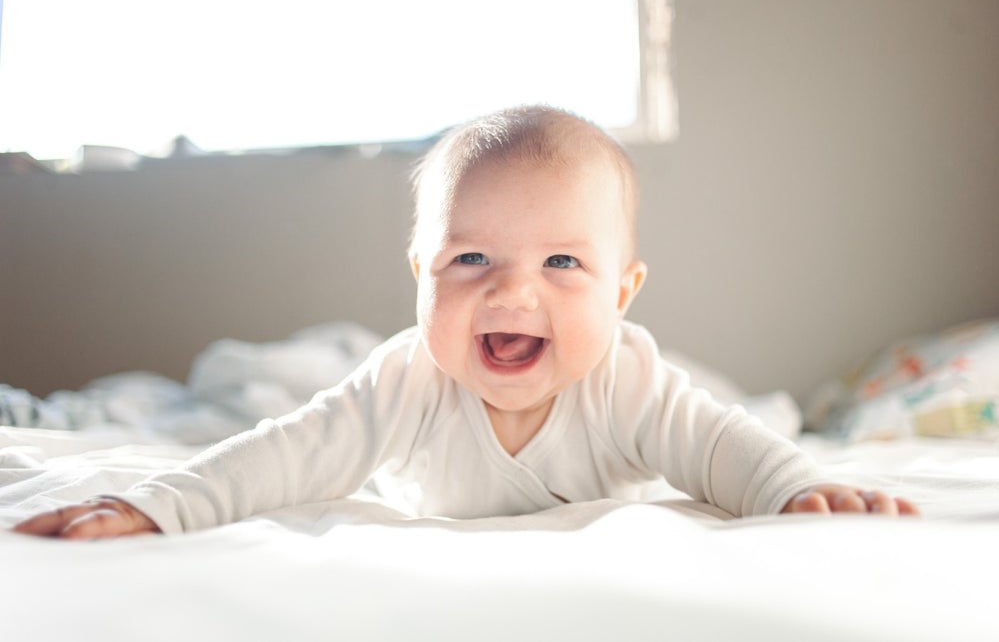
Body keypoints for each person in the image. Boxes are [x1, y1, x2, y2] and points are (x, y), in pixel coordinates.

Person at [13, 105, 917, 539]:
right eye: (470, 259)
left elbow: (725, 448)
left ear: (622, 294)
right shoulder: (410, 377)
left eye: (563, 263)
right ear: (421, 273)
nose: (511, 292)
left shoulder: (625, 380)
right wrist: (157, 504)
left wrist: (800, 492)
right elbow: (287, 453)